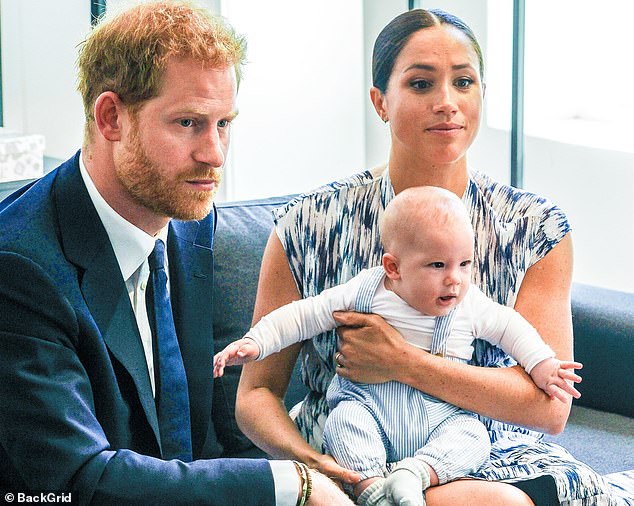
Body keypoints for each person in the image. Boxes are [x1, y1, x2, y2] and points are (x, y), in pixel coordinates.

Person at [235, 8, 615, 506]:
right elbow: (255, 394)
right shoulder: (308, 224)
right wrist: (312, 463)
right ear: (380, 102)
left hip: (488, 451)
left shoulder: (534, 228)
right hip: (349, 444)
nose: (447, 103)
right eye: (420, 84)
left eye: (464, 82)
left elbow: (548, 408)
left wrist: (402, 361)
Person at [0, 2, 354, 505]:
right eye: (188, 123)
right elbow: (78, 481)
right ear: (110, 118)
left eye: (224, 123)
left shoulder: (186, 222)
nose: (214, 155)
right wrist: (291, 483)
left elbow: (189, 444)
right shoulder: (20, 269)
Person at [214, 186, 583, 505]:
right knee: (343, 423)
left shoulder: (469, 304)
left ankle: (415, 473)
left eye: (465, 264)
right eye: (437, 265)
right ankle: (371, 487)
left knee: (472, 436)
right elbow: (303, 315)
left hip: (441, 416)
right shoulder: (366, 291)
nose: (454, 280)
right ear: (393, 268)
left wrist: (543, 365)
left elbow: (512, 329)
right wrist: (256, 342)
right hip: (368, 405)